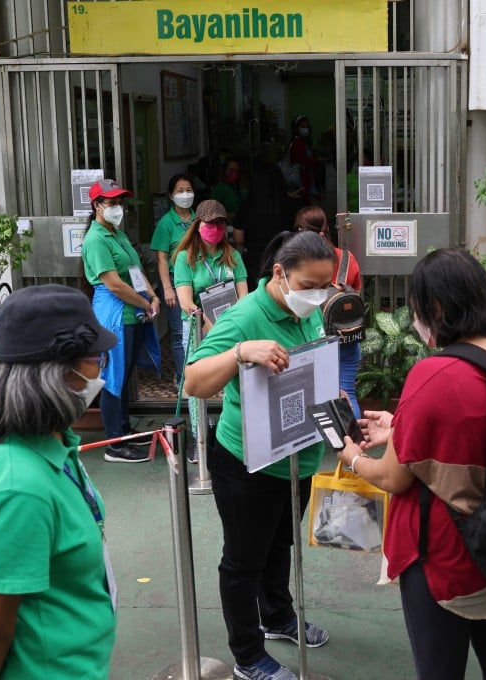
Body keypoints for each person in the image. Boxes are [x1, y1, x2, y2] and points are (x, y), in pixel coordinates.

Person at [335, 249, 486, 680]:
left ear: (436, 308)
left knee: (439, 668)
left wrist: (354, 457)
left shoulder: (434, 373)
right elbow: (469, 431)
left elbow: (392, 477)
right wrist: (401, 424)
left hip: (443, 555)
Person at [184, 230, 337, 680]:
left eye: (325, 285)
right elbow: (193, 382)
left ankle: (277, 617)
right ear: (279, 274)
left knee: (279, 544)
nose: (317, 295)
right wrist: (238, 352)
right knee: (243, 560)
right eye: (309, 285)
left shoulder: (306, 312)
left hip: (297, 453)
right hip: (247, 461)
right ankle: (248, 656)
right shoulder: (243, 317)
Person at [0, 284, 119, 679]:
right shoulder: (19, 486)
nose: (102, 368)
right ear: (61, 373)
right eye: (97, 359)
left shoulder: (48, 440)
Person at [81, 178, 161, 463]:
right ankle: (114, 445)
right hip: (114, 313)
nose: (117, 208)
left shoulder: (117, 234)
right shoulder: (96, 240)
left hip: (132, 310)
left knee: (124, 375)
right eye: (111, 203)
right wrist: (144, 303)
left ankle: (124, 431)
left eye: (119, 202)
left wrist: (152, 295)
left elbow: (134, 270)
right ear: (97, 206)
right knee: (112, 377)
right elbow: (114, 284)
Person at [173, 199, 249, 463]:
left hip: (229, 328)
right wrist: (209, 327)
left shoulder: (233, 256)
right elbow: (185, 301)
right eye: (210, 223)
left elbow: (244, 297)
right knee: (196, 384)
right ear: (198, 225)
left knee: (233, 381)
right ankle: (199, 436)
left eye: (220, 224)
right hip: (197, 328)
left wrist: (232, 327)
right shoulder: (185, 258)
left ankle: (233, 434)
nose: (215, 228)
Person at [293, 206, 364, 417]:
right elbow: (357, 295)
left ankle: (316, 445)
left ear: (300, 231)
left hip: (313, 339)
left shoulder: (300, 261)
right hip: (348, 338)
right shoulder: (348, 258)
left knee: (310, 395)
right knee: (348, 394)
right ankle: (355, 441)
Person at [151, 173, 197, 388]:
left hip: (197, 281)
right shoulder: (166, 223)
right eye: (180, 191)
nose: (185, 195)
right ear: (171, 196)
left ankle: (198, 373)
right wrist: (167, 289)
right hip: (174, 281)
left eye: (188, 190)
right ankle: (182, 378)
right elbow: (160, 258)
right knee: (179, 332)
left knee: (198, 330)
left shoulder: (198, 218)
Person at [235, 161, 298, 292]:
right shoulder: (288, 204)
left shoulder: (246, 204)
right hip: (282, 261)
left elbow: (238, 238)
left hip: (254, 263)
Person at [289, 115, 328, 205]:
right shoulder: (297, 142)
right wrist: (317, 161)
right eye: (302, 126)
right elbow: (302, 160)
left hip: (308, 179)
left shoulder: (305, 142)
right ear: (296, 128)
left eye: (306, 126)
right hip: (301, 180)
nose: (305, 129)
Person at [211, 157, 245, 225]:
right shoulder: (220, 189)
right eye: (231, 170)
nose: (234, 173)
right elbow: (214, 213)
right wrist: (234, 215)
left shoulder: (240, 187)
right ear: (224, 171)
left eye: (237, 171)